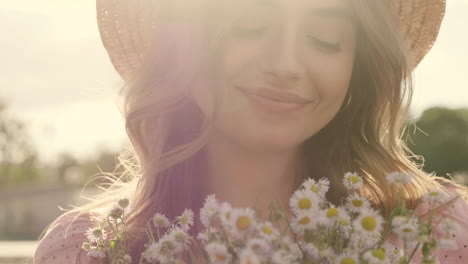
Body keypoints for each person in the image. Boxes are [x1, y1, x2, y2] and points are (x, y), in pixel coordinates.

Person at [34, 0, 468, 263]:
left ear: (358, 69)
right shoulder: (85, 250)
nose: (285, 63)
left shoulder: (437, 235)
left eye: (325, 37)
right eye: (247, 25)